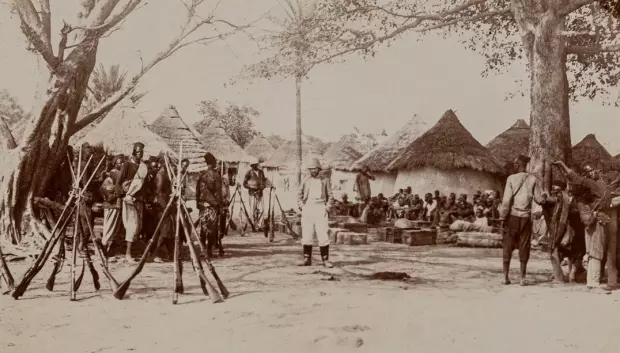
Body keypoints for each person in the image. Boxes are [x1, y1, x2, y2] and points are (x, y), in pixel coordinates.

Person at [553, 161, 613, 293]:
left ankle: (591, 283)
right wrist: (563, 165)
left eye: (592, 170)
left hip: (595, 220)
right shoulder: (593, 184)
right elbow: (575, 177)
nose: (591, 172)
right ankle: (594, 284)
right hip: (597, 220)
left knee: (593, 252)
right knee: (596, 252)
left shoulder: (598, 186)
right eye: (588, 171)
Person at [498, 155, 547, 286]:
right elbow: (539, 200)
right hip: (526, 219)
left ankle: (505, 277)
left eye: (515, 164)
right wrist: (544, 197)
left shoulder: (511, 179)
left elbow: (507, 201)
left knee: (507, 246)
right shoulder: (533, 179)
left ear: (517, 165)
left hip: (513, 217)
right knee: (524, 247)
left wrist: (503, 217)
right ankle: (522, 278)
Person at [297, 158, 335, 268]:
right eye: (311, 169)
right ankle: (307, 259)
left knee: (322, 234)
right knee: (307, 234)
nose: (313, 171)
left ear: (319, 169)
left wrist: (327, 207)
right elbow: (299, 194)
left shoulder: (325, 180)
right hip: (308, 207)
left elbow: (330, 195)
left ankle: (325, 260)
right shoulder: (305, 180)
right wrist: (302, 206)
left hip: (320, 207)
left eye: (315, 168)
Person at [115, 142, 149, 263]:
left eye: (142, 151)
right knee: (131, 226)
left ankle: (131, 252)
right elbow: (118, 183)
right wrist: (124, 195)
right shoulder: (127, 165)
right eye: (138, 151)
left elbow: (144, 186)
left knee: (138, 227)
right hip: (129, 199)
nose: (140, 154)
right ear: (134, 152)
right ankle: (128, 254)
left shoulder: (143, 167)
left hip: (139, 200)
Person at [196, 152, 223, 258]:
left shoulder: (201, 175)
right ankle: (209, 250)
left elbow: (198, 192)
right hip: (212, 206)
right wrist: (218, 205)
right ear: (213, 163)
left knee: (203, 227)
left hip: (203, 205)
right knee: (212, 228)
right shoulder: (216, 176)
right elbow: (218, 193)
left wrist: (198, 203)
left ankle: (203, 250)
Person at [100, 155, 124, 252]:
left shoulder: (118, 173)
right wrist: (120, 192)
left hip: (115, 204)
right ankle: (104, 245)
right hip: (112, 205)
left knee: (113, 227)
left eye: (123, 162)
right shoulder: (114, 174)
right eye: (119, 163)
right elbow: (107, 190)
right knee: (109, 226)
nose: (122, 164)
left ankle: (108, 247)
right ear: (115, 164)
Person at [243, 158, 267, 229]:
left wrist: (263, 186)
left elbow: (264, 181)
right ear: (252, 166)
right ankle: (254, 225)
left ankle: (260, 225)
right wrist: (251, 187)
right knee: (253, 210)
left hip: (260, 193)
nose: (255, 166)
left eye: (256, 165)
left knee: (262, 210)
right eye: (254, 165)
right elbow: (244, 183)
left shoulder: (261, 172)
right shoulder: (248, 173)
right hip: (252, 194)